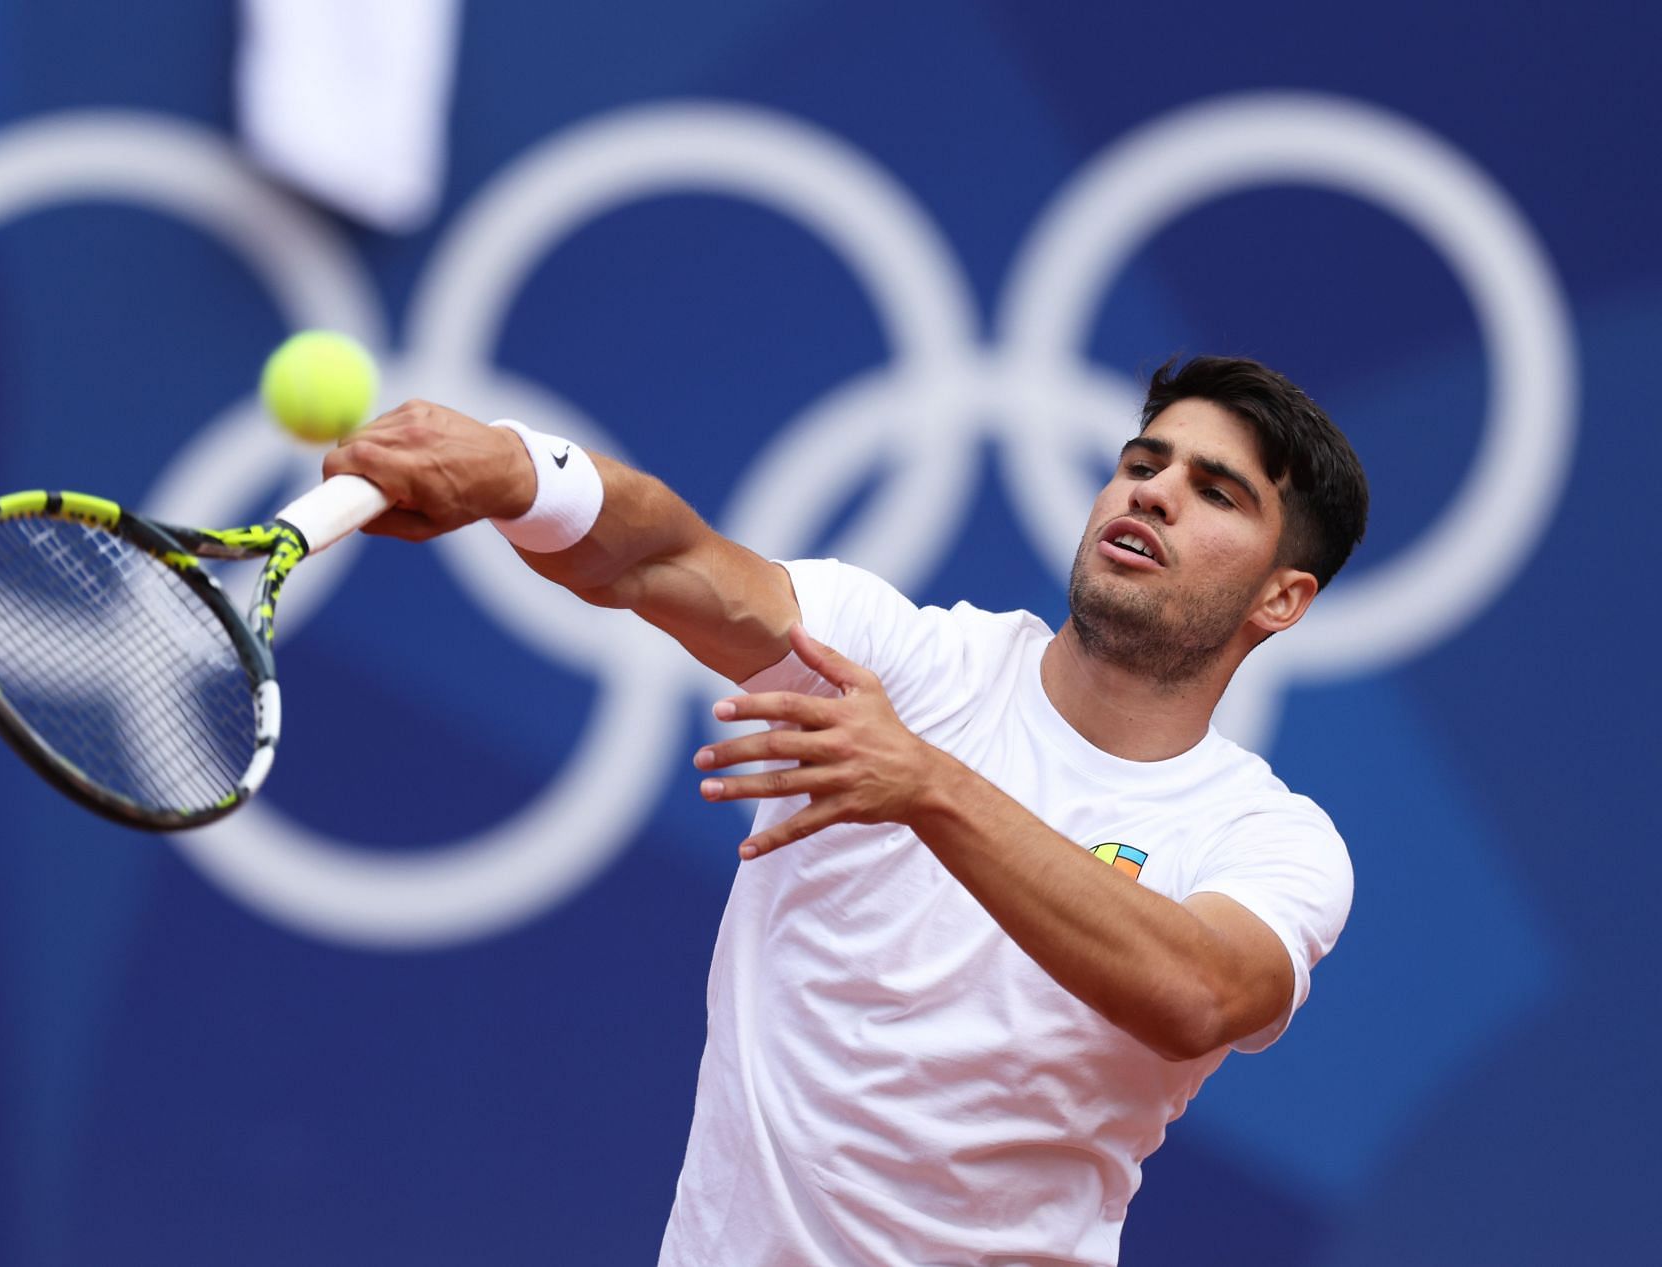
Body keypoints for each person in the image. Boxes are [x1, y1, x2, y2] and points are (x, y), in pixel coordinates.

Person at [323, 355, 1370, 1267]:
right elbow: (662, 558)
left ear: (1282, 598)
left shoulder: (1272, 839)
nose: (1155, 494)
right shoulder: (901, 660)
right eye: (1143, 464)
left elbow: (1196, 991)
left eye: (1217, 491)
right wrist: (521, 468)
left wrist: (925, 784)